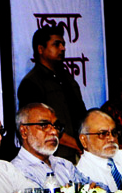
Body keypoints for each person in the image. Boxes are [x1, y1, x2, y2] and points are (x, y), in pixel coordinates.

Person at [17, 25, 87, 162]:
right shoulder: (31, 83)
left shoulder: (67, 78)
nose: (63, 48)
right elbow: (38, 127)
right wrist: (78, 146)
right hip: (55, 157)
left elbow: (80, 114)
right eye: (56, 44)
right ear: (41, 49)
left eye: (63, 44)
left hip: (80, 154)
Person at [11, 103, 98, 189]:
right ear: (24, 131)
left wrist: (96, 190)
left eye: (56, 126)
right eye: (44, 125)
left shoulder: (64, 165)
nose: (54, 132)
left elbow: (97, 188)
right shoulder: (16, 171)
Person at [77, 109, 122, 192]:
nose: (112, 138)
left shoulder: (119, 155)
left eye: (114, 132)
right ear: (84, 140)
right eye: (103, 134)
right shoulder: (84, 176)